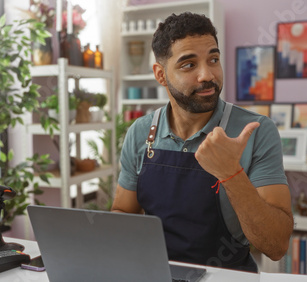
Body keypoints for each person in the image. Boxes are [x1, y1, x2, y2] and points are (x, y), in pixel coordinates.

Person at [111, 12, 293, 272]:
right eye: (189, 65)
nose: (207, 75)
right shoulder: (140, 132)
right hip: (156, 273)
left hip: (228, 275)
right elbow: (123, 213)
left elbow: (276, 246)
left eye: (214, 59)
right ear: (161, 75)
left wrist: (231, 173)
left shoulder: (256, 131)